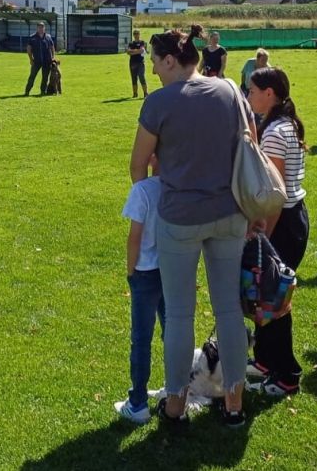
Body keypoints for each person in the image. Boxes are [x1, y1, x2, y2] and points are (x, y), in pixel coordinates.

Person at [129, 30, 249, 427]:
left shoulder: (158, 101)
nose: (150, 65)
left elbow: (137, 165)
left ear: (169, 61)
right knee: (229, 309)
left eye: (153, 58)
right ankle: (234, 401)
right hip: (231, 212)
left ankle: (176, 404)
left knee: (179, 315)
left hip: (180, 217)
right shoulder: (230, 90)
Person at [245, 67, 308, 396]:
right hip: (292, 216)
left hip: (281, 221)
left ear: (269, 93)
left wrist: (261, 234)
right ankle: (264, 360)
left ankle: (287, 375)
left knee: (274, 300)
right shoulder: (285, 124)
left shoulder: (273, 131)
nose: (249, 95)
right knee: (264, 295)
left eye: (253, 90)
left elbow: (274, 191)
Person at [114, 154, 164, 424]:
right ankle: (174, 389)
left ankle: (138, 402)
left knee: (141, 339)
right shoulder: (177, 188)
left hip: (144, 271)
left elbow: (134, 238)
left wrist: (130, 272)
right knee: (173, 332)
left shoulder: (143, 190)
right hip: (170, 270)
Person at [24, 22, 55, 96]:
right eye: (39, 27)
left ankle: (43, 91)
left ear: (44, 28)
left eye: (42, 27)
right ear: (37, 28)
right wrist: (31, 59)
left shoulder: (48, 37)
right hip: (36, 61)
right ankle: (27, 91)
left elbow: (52, 47)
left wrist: (53, 57)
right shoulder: (32, 37)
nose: (41, 29)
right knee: (32, 76)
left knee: (45, 77)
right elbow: (29, 49)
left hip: (47, 61)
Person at [126, 29, 148, 98]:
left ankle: (145, 93)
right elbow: (128, 52)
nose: (136, 35)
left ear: (139, 34)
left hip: (140, 63)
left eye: (137, 33)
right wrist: (137, 51)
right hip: (132, 63)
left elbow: (142, 50)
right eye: (135, 34)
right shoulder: (131, 43)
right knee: (134, 78)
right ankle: (135, 94)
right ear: (133, 35)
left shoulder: (142, 42)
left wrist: (133, 51)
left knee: (142, 77)